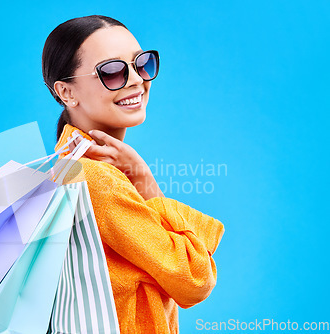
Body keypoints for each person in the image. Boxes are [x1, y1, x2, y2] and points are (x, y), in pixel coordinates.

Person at [42, 15, 225, 334]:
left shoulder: (63, 165)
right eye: (112, 71)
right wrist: (145, 180)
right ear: (67, 92)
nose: (137, 80)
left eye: (142, 64)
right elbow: (193, 280)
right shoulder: (99, 179)